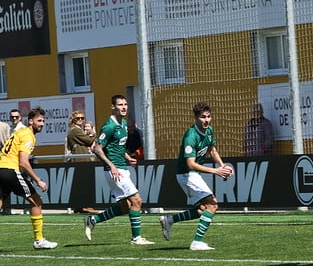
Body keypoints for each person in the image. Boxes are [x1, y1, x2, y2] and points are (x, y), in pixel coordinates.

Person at [159, 102, 233, 251]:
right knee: (213, 204)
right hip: (186, 174)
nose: (206, 120)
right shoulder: (190, 136)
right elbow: (191, 164)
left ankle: (169, 220)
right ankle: (196, 242)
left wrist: (222, 165)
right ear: (195, 118)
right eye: (202, 117)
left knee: (202, 210)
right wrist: (215, 171)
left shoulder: (209, 130)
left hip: (193, 174)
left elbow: (212, 150)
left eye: (208, 116)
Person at [84, 94, 154, 245]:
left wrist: (128, 158)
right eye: (120, 105)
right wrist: (112, 166)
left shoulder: (123, 124)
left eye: (125, 104)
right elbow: (97, 149)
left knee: (125, 207)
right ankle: (136, 238)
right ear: (113, 107)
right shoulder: (109, 126)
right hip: (115, 171)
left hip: (122, 168)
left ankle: (93, 219)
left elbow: (117, 147)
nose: (123, 107)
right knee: (137, 200)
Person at [0, 107, 57, 249]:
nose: (42, 123)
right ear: (30, 121)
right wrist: (38, 180)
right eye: (39, 120)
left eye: (43, 121)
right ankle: (39, 240)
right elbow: (23, 162)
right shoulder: (28, 135)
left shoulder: (19, 132)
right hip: (9, 170)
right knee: (37, 201)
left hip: (1, 168)